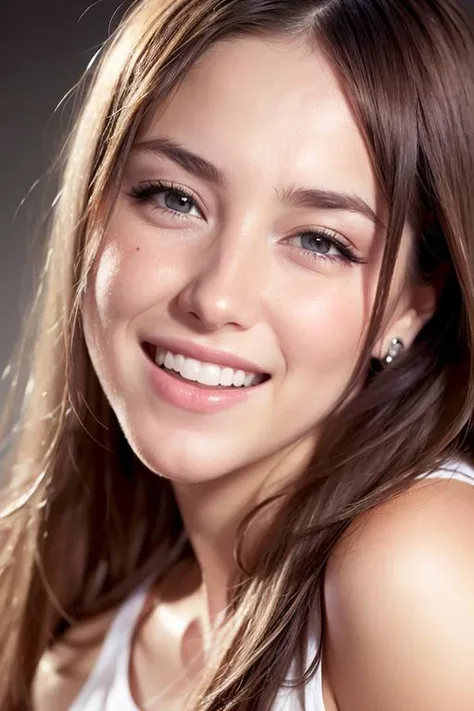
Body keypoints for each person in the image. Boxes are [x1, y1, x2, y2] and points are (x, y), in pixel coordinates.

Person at [1, 0, 474, 708]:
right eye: (174, 198)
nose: (217, 298)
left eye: (320, 240)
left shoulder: (416, 570)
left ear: (413, 304)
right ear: (94, 210)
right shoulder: (75, 659)